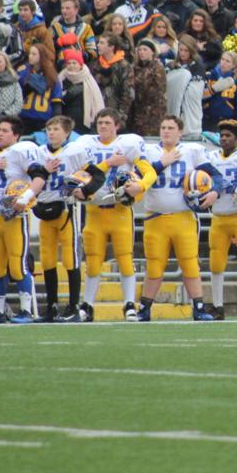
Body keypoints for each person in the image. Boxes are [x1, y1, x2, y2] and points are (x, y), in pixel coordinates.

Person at [72, 108, 158, 321]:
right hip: (94, 211)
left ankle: (129, 304)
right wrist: (107, 163)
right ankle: (88, 306)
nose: (103, 126)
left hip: (119, 211)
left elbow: (150, 172)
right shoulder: (86, 145)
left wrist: (141, 186)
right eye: (100, 122)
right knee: (92, 261)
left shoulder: (127, 145)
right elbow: (83, 176)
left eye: (108, 123)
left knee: (125, 259)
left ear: (117, 126)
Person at [135, 116, 219, 322]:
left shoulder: (192, 151)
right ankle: (144, 309)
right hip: (156, 218)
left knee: (190, 264)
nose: (166, 131)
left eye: (171, 128)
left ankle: (199, 308)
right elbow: (136, 177)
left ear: (180, 132)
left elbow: (216, 176)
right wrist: (161, 163)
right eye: (163, 127)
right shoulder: (148, 151)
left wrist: (214, 192)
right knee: (154, 266)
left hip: (184, 218)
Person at [33, 115, 105, 322]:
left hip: (66, 209)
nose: (52, 133)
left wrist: (86, 192)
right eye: (49, 129)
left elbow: (98, 176)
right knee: (46, 259)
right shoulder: (38, 152)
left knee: (70, 258)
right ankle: (52, 307)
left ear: (66, 133)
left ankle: (73, 306)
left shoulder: (75, 151)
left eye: (56, 129)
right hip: (44, 209)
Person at [0, 116, 44, 324]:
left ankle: (26, 311)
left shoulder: (23, 150)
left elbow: (40, 177)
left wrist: (25, 198)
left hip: (16, 217)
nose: (0, 133)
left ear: (16, 135)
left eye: (6, 130)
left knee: (17, 265)